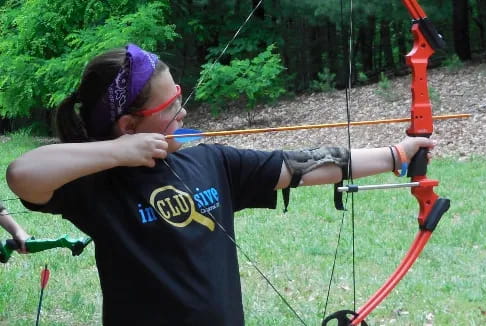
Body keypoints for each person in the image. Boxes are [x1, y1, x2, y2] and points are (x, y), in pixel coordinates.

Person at [6, 44, 434, 325]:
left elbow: (299, 166)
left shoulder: (208, 160)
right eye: (172, 104)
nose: (184, 112)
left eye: (180, 94)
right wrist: (120, 152)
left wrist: (396, 156)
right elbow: (22, 174)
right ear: (129, 125)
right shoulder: (97, 184)